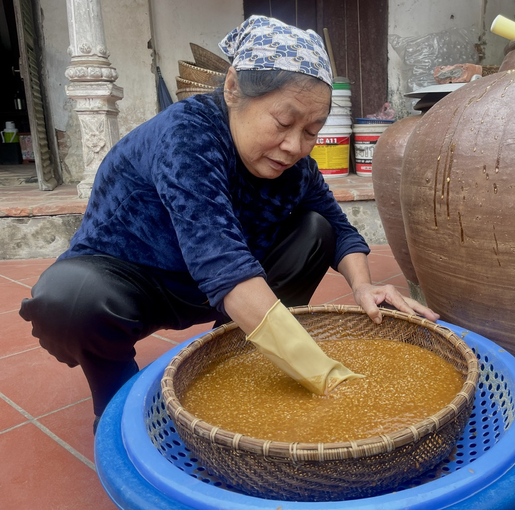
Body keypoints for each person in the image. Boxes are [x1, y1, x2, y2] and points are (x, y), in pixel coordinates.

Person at [19, 15, 439, 433]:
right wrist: (325, 376)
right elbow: (223, 264)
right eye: (282, 122)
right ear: (233, 88)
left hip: (222, 291)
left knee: (316, 231)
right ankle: (117, 403)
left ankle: (235, 359)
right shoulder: (188, 136)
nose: (294, 146)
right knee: (67, 299)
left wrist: (363, 285)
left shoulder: (297, 167)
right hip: (133, 283)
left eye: (311, 131)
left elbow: (339, 228)